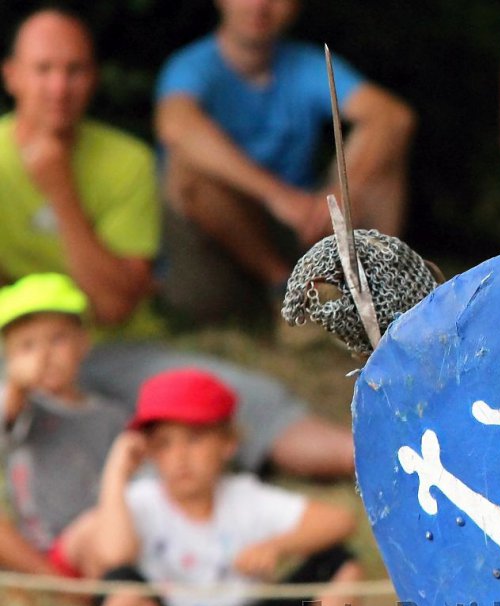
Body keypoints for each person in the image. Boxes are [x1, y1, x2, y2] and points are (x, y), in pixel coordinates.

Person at [0, 8, 355, 481]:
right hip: (12, 359)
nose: (59, 87)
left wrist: (61, 194)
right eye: (43, 69)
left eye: (74, 70)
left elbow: (113, 308)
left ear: (94, 78)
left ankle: (385, 456)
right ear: (11, 75)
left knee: (234, 396)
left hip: (114, 350)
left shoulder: (127, 162)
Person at [156, 0, 416, 326]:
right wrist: (276, 195)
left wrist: (339, 195)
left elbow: (392, 117)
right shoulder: (190, 67)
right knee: (185, 167)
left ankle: (377, 297)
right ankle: (285, 289)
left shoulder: (306, 63)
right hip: (220, 245)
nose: (260, 5)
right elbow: (176, 126)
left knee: (382, 152)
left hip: (299, 229)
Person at [88, 368, 360, 606]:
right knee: (122, 590)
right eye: (164, 444)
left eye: (194, 439)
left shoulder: (245, 497)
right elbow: (114, 557)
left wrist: (276, 546)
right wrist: (116, 471)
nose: (180, 457)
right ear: (148, 451)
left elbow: (339, 521)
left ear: (228, 443)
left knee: (338, 564)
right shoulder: (140, 501)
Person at [0, 273, 128, 580]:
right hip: (45, 551)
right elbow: (7, 415)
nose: (44, 356)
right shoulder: (24, 408)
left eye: (57, 339)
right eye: (27, 347)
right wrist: (17, 385)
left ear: (83, 342)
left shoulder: (112, 416)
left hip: (106, 539)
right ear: (8, 358)